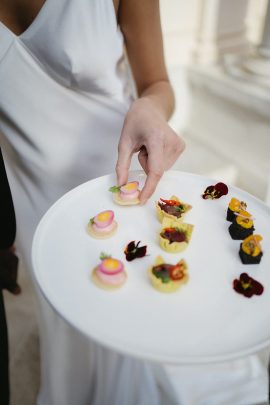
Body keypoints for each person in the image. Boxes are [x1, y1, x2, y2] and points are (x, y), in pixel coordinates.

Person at [0, 1, 267, 404]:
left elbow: (158, 83)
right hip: (31, 193)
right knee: (64, 323)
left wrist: (149, 106)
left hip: (122, 183)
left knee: (126, 322)